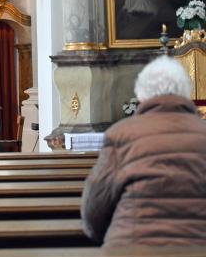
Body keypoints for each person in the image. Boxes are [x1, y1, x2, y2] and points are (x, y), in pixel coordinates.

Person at [81, 56, 206, 247]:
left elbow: (94, 211)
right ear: (186, 93)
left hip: (131, 253)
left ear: (141, 95)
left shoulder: (120, 134)